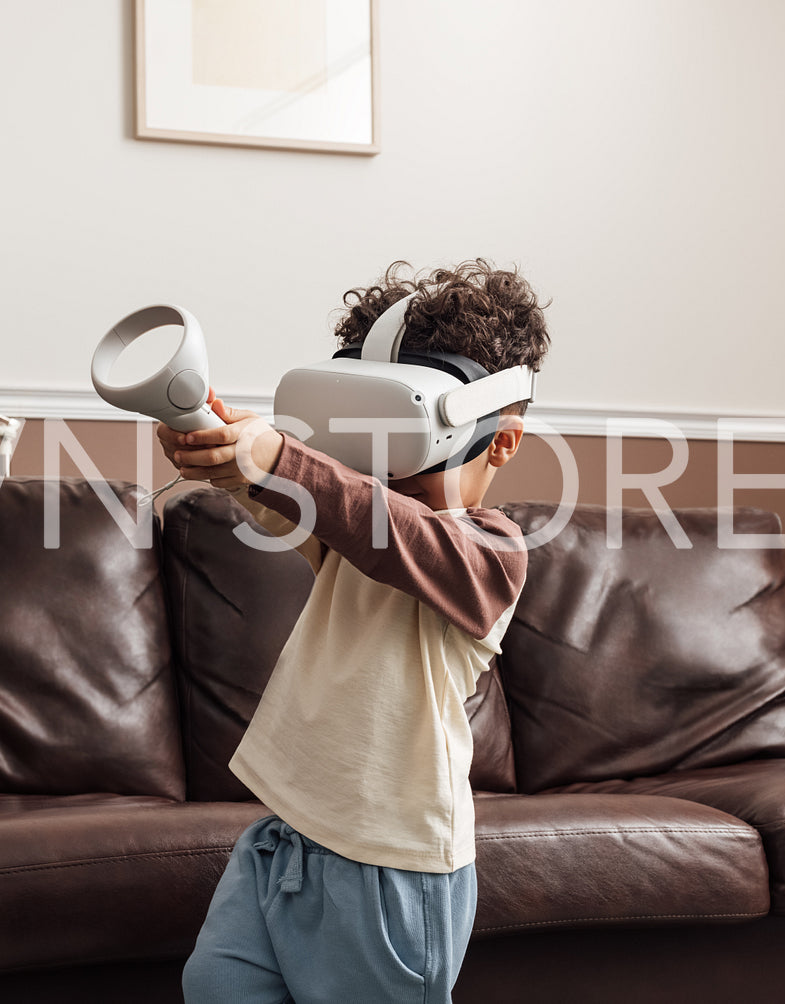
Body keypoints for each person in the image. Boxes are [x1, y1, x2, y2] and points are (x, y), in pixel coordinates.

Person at [162, 259, 550, 1004]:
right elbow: (308, 505)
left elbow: (394, 535)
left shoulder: (488, 553)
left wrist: (284, 457)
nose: (377, 464)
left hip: (393, 863)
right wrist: (220, 445)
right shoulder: (348, 532)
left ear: (499, 441)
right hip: (286, 840)